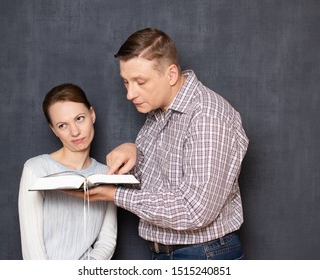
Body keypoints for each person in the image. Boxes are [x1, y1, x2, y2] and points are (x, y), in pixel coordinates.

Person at [89, 27, 249, 260]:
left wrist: (114, 195)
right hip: (168, 253)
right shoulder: (157, 112)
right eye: (126, 82)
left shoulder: (206, 116)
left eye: (140, 81)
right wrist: (134, 152)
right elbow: (159, 189)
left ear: (171, 74)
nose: (130, 94)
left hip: (204, 255)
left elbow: (194, 209)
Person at [18, 83, 117, 260]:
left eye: (79, 118)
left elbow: (108, 239)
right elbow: (32, 249)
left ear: (92, 114)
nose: (75, 131)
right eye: (63, 125)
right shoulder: (36, 170)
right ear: (54, 130)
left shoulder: (107, 174)